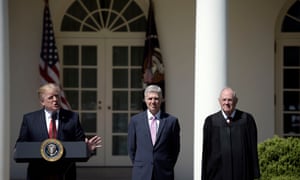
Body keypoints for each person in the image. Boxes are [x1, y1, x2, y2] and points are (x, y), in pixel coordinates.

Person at [15, 83, 102, 180]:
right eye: (50, 97)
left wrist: (87, 149)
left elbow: (80, 147)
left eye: (57, 96)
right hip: (38, 173)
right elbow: (20, 146)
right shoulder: (30, 119)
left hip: (65, 173)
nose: (55, 100)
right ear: (42, 101)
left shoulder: (72, 118)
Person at [201, 87, 261, 180]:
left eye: (230, 100)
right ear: (219, 101)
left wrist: (255, 174)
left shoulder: (246, 120)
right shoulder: (211, 121)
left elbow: (252, 149)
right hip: (217, 174)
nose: (226, 103)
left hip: (242, 173)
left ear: (236, 101)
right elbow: (206, 152)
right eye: (224, 100)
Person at [127, 85, 180, 180]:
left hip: (164, 172)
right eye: (150, 98)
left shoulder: (172, 121)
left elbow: (175, 149)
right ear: (145, 100)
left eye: (156, 98)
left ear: (162, 100)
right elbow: (131, 148)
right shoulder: (135, 121)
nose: (153, 102)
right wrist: (141, 164)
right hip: (141, 172)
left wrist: (167, 164)